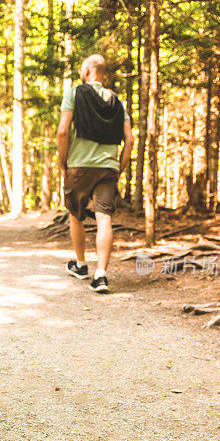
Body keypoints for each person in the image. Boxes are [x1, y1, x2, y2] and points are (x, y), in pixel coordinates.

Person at [57, 54, 134, 292]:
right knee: (104, 218)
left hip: (80, 165)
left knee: (76, 214)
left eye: (82, 67)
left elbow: (62, 131)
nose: (81, 71)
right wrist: (118, 168)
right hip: (108, 167)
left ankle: (80, 265)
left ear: (89, 69)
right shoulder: (117, 101)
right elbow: (129, 139)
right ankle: (101, 275)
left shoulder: (74, 93)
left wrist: (63, 163)